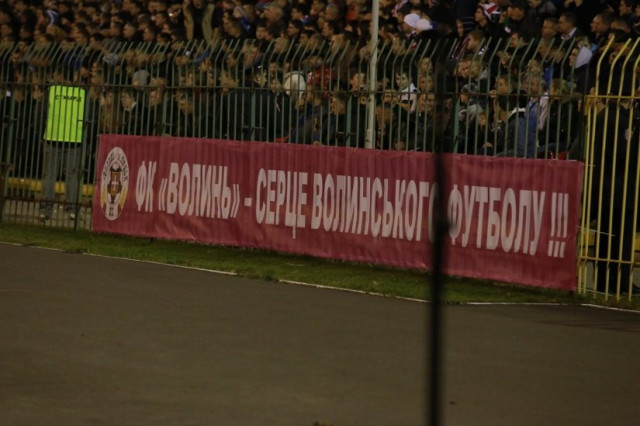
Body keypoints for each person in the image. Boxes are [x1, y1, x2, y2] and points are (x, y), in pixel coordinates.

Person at [39, 66, 87, 221]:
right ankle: (72, 210)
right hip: (74, 139)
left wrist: (42, 132)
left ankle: (46, 210)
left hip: (52, 137)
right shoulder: (81, 93)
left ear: (60, 76)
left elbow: (41, 113)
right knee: (72, 176)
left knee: (50, 174)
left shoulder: (51, 91)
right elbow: (88, 117)